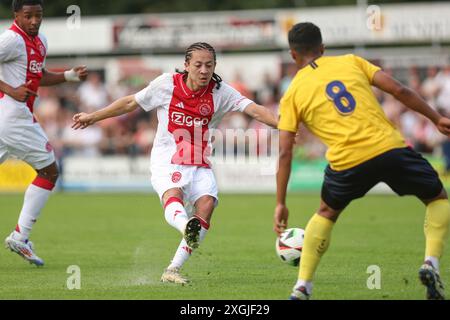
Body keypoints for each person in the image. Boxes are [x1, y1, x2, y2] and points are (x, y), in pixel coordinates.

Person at [72, 42, 278, 284]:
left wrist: (282, 124)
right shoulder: (166, 84)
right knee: (174, 196)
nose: (203, 70)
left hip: (199, 160)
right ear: (186, 65)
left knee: (207, 205)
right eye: (198, 65)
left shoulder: (221, 92)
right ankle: (184, 225)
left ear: (215, 66)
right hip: (167, 159)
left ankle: (172, 269)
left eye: (209, 65)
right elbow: (130, 102)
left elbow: (253, 110)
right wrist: (92, 117)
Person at [274, 22, 450, 300]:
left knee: (326, 213)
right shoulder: (351, 61)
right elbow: (399, 90)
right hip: (389, 148)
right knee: (438, 198)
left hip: (347, 161)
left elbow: (285, 152)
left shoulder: (292, 93)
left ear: (293, 55)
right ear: (322, 48)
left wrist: (281, 202)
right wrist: (435, 118)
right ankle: (430, 262)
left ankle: (302, 287)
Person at [0, 0, 88, 266]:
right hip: (13, 116)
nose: (34, 21)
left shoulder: (40, 41)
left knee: (49, 170)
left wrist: (69, 76)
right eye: (28, 16)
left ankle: (20, 237)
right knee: (50, 171)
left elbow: (39, 75)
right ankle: (20, 236)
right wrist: (10, 89)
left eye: (38, 15)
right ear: (16, 15)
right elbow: (16, 83)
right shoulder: (11, 40)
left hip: (9, 116)